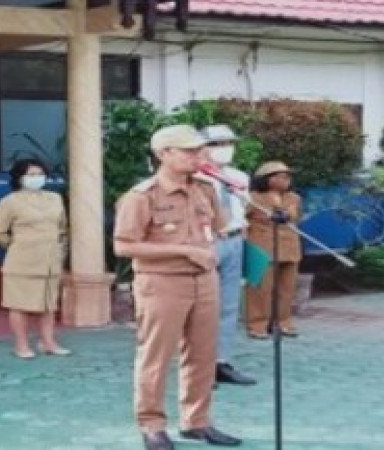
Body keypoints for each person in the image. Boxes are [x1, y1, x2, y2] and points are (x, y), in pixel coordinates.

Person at [114, 125, 241, 449]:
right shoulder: (142, 196)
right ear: (163, 154)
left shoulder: (206, 189)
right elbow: (124, 246)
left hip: (204, 280)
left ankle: (197, 421)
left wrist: (235, 192)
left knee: (203, 354)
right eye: (189, 150)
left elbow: (222, 226)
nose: (198, 155)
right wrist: (182, 250)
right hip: (162, 283)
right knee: (156, 356)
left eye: (200, 149)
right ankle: (152, 425)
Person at [0, 158, 70, 359]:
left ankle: (48, 342)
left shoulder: (54, 198)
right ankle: (21, 345)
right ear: (19, 178)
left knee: (48, 305)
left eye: (40, 174)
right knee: (19, 305)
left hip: (50, 261)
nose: (36, 178)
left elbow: (62, 227)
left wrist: (59, 248)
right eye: (31, 175)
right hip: (21, 262)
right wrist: (16, 245)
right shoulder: (10, 202)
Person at [199, 125, 256, 387]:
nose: (224, 149)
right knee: (202, 307)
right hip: (206, 242)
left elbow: (242, 208)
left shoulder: (237, 177)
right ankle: (199, 366)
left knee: (229, 305)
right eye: (216, 144)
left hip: (233, 239)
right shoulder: (195, 178)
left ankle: (221, 362)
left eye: (228, 143)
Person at [245, 161, 302, 339]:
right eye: (279, 176)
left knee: (286, 289)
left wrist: (286, 214)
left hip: (289, 247)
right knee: (260, 288)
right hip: (261, 247)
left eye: (287, 176)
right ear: (265, 179)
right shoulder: (252, 198)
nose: (285, 179)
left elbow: (294, 215)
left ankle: (282, 322)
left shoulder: (294, 198)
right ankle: (257, 324)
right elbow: (243, 219)